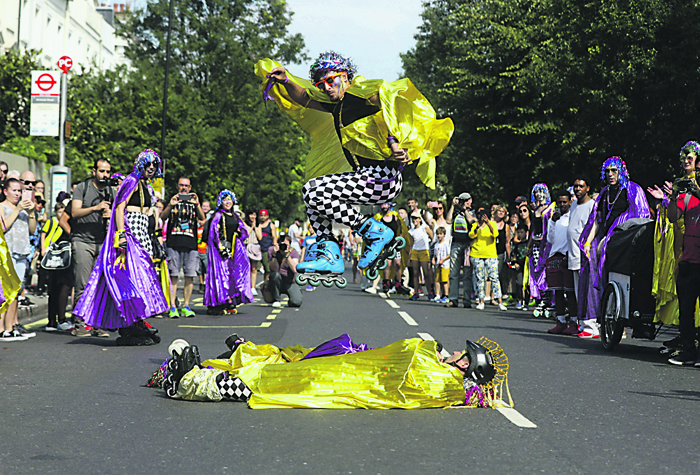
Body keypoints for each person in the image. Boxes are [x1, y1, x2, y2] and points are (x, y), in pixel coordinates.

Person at [257, 51, 453, 287]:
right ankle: (329, 249)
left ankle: (372, 231)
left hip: (383, 178)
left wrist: (395, 142)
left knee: (312, 189)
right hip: (368, 178)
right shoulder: (337, 106)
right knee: (313, 198)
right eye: (322, 84)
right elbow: (305, 99)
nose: (327, 88)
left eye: (332, 81)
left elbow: (389, 102)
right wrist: (286, 80)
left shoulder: (358, 96)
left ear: (346, 77)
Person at [158, 333, 509, 410]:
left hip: (351, 381)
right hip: (358, 369)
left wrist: (426, 348)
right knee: (288, 363)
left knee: (280, 382)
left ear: (465, 365)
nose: (460, 351)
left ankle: (188, 384)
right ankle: (221, 362)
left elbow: (411, 353)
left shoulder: (443, 378)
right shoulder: (449, 380)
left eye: (465, 353)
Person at [73, 150, 168, 345]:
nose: (151, 168)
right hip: (130, 231)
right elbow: (119, 207)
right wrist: (121, 235)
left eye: (154, 165)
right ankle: (130, 322)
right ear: (140, 164)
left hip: (143, 233)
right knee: (131, 279)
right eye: (148, 164)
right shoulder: (132, 180)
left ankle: (136, 319)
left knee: (143, 278)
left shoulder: (145, 185)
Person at [578, 157, 650, 338]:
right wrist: (588, 241)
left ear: (621, 171)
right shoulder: (604, 193)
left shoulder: (632, 190)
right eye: (608, 171)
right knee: (602, 273)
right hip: (607, 241)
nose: (610, 174)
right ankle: (608, 317)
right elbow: (597, 220)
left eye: (614, 171)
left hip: (625, 240)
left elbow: (641, 218)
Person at [649, 142, 700, 360]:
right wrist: (671, 197)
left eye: (693, 159)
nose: (690, 164)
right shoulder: (686, 192)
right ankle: (688, 351)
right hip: (688, 259)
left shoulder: (695, 190)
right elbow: (672, 217)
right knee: (686, 310)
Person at [70, 158, 114, 337]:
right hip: (82, 241)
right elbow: (74, 212)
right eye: (102, 171)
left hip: (102, 242)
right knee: (83, 284)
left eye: (107, 172)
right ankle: (80, 324)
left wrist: (110, 213)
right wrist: (96, 207)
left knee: (101, 286)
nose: (105, 175)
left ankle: (98, 324)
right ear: (94, 171)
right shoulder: (83, 188)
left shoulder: (111, 191)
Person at [161, 176, 206, 319]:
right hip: (174, 242)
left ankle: (186, 305)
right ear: (177, 187)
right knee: (173, 275)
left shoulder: (193, 203)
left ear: (190, 188)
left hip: (191, 244)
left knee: (190, 276)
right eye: (181, 186)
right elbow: (162, 217)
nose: (184, 188)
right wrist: (170, 204)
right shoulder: (173, 201)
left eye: (186, 186)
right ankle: (172, 306)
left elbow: (202, 219)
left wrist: (197, 203)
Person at [204, 190, 253, 315]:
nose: (228, 202)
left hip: (233, 250)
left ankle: (231, 299)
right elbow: (213, 234)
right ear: (220, 202)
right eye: (225, 199)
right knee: (221, 275)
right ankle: (218, 302)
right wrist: (221, 248)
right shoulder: (218, 216)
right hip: (220, 251)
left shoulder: (235, 215)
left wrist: (239, 234)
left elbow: (243, 230)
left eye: (230, 199)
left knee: (233, 274)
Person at [0, 178, 37, 341]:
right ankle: (1, 328)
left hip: (22, 252)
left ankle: (10, 327)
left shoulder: (23, 209)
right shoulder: (2, 207)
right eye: (14, 190)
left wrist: (31, 213)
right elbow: (3, 226)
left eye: (20, 191)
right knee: (4, 292)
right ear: (5, 191)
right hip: (7, 253)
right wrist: (17, 209)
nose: (17, 194)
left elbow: (32, 229)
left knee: (15, 292)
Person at [545, 190, 579, 334]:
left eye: (565, 202)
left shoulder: (573, 216)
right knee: (557, 291)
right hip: (555, 256)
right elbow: (550, 239)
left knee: (570, 292)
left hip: (568, 256)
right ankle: (561, 321)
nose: (563, 205)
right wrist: (552, 221)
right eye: (560, 202)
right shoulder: (554, 219)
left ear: (570, 201)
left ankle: (574, 321)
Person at [567, 176, 595, 332]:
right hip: (572, 254)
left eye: (581, 186)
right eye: (575, 186)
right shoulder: (573, 206)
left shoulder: (592, 205)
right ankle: (582, 323)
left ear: (588, 188)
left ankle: (591, 324)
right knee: (578, 291)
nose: (577, 189)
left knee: (586, 289)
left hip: (584, 254)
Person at [41, 201, 74, 332]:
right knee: (63, 285)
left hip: (55, 255)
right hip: (63, 254)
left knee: (55, 287)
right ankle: (59, 319)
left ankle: (52, 321)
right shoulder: (57, 221)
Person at [469, 207, 507, 311]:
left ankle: (499, 301)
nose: (483, 218)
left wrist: (488, 223)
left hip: (490, 254)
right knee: (480, 278)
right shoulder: (475, 225)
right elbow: (471, 235)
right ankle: (481, 300)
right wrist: (477, 227)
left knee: (494, 277)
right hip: (477, 254)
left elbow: (495, 234)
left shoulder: (493, 224)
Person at [527, 183, 555, 316]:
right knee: (537, 271)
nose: (538, 194)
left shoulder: (550, 208)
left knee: (546, 271)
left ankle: (549, 300)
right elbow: (532, 229)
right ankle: (542, 298)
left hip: (547, 244)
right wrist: (528, 246)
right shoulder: (534, 211)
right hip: (536, 244)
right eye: (536, 191)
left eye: (540, 191)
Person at [445, 192, 477, 308]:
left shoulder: (472, 212)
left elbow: (472, 221)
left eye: (466, 200)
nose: (464, 203)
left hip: (468, 244)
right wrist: (453, 206)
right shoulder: (455, 211)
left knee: (467, 274)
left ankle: (467, 299)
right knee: (454, 272)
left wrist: (465, 210)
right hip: (456, 243)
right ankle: (453, 299)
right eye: (462, 200)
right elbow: (448, 221)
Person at [264, 234, 302, 308]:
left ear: (290, 245)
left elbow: (295, 269)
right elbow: (272, 269)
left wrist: (287, 256)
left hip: (290, 282)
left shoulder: (293, 252)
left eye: (286, 245)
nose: (284, 247)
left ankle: (294, 295)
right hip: (277, 281)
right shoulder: (271, 250)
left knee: (296, 302)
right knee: (275, 275)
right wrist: (274, 255)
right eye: (282, 244)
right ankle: (276, 299)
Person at [408, 211, 435, 301]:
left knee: (426, 273)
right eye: (413, 218)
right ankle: (416, 292)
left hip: (424, 251)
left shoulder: (424, 228)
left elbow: (432, 238)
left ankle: (430, 292)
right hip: (415, 251)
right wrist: (409, 256)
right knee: (415, 273)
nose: (414, 220)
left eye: (416, 218)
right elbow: (411, 244)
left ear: (420, 219)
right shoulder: (411, 231)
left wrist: (431, 251)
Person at [255, 209, 277, 281]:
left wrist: (275, 247)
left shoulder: (271, 225)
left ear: (267, 216)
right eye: (261, 215)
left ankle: (266, 284)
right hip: (257, 248)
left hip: (267, 248)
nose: (263, 217)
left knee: (268, 269)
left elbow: (274, 237)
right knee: (255, 269)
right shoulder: (257, 225)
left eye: (264, 215)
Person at [196, 201, 212, 294]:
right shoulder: (197, 216)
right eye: (204, 206)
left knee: (207, 267)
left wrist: (205, 222)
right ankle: (201, 284)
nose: (205, 208)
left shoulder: (210, 217)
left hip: (206, 247)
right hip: (197, 246)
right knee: (199, 268)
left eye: (207, 206)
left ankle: (207, 283)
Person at [433, 227, 450, 303]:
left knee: (444, 280)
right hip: (438, 264)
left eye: (440, 234)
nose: (439, 236)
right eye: (438, 234)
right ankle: (438, 294)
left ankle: (446, 295)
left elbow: (449, 254)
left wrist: (443, 260)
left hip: (445, 264)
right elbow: (435, 254)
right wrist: (433, 259)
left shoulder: (446, 243)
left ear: (444, 235)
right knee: (437, 280)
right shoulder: (436, 244)